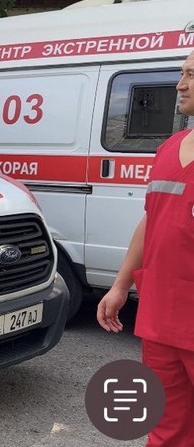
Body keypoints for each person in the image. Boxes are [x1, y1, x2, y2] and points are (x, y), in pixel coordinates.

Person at [97, 49, 194, 445]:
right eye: (182, 73)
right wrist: (120, 285)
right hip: (161, 320)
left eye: (191, 74)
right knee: (166, 431)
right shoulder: (170, 147)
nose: (180, 84)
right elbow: (153, 218)